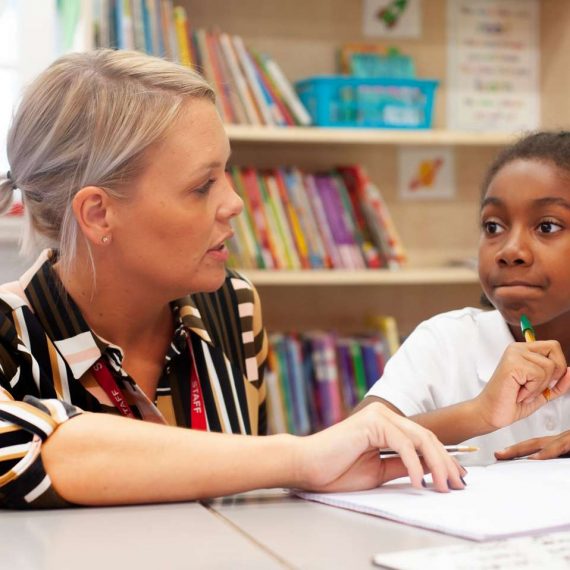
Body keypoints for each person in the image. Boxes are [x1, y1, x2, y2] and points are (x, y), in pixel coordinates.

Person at [0, 49, 465, 509]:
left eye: (227, 173)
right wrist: (302, 457)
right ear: (99, 214)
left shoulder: (232, 306)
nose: (235, 202)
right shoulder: (9, 335)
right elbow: (37, 454)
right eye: (203, 186)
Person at [362, 131, 570, 463]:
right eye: (493, 227)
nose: (510, 250)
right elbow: (349, 447)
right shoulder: (446, 342)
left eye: (546, 226)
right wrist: (479, 412)